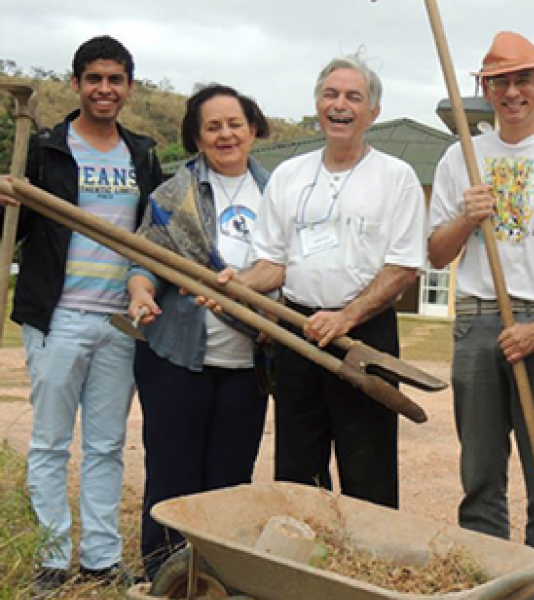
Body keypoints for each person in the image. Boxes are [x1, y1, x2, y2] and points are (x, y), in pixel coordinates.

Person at [427, 31, 534, 590]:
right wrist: (465, 219)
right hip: (477, 318)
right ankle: (490, 586)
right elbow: (436, 252)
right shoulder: (461, 157)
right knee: (480, 475)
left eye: (524, 79)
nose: (513, 92)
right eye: (500, 81)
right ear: (485, 89)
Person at [224, 53, 426, 509]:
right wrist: (235, 284)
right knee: (298, 467)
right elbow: (273, 264)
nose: (340, 105)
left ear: (373, 113)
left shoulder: (398, 178)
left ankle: (366, 571)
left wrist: (345, 318)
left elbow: (402, 267)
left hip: (365, 336)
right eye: (330, 94)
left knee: (368, 466)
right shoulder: (290, 176)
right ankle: (305, 568)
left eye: (354, 97)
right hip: (296, 334)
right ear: (316, 105)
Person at [0, 36, 163, 594]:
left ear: (129, 88)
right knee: (49, 442)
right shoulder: (45, 150)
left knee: (106, 445)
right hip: (58, 318)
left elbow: (152, 234)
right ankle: (51, 555)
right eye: (94, 78)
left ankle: (100, 558)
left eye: (115, 79)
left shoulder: (142, 154)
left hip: (121, 321)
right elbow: (17, 234)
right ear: (75, 84)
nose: (104, 89)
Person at [125, 84, 272, 580]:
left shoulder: (281, 193)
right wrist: (140, 291)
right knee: (171, 477)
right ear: (196, 137)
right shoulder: (172, 195)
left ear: (253, 128)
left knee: (229, 483)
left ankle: (217, 580)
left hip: (248, 362)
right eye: (213, 126)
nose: (225, 134)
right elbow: (145, 259)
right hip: (177, 356)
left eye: (235, 123)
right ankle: (163, 578)